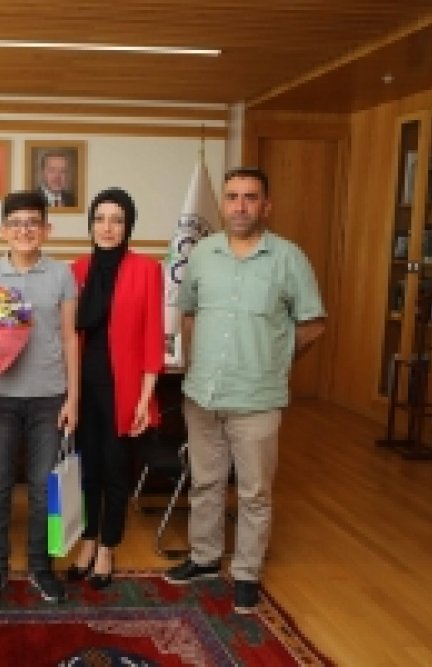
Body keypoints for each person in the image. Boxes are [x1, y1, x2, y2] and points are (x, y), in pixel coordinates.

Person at [163, 167, 326, 614]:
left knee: (254, 492)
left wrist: (276, 359)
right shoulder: (203, 253)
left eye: (250, 197)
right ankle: (204, 557)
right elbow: (188, 313)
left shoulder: (289, 258)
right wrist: (193, 363)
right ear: (222, 205)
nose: (240, 206)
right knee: (205, 482)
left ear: (265, 206)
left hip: (257, 397)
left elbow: (313, 324)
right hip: (202, 393)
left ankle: (247, 573)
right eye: (232, 197)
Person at [0, 190, 79, 606]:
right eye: (16, 224)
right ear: (2, 230)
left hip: (49, 397)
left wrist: (73, 398)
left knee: (42, 489)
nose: (24, 230)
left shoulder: (62, 274)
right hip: (0, 398)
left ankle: (40, 567)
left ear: (47, 229)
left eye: (33, 223)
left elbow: (69, 339)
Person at [68, 187, 164, 589]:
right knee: (86, 468)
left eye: (117, 220)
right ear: (91, 224)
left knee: (115, 468)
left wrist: (145, 397)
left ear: (128, 226)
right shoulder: (77, 269)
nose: (107, 228)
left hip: (124, 388)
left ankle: (108, 546)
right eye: (100, 219)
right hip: (82, 386)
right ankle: (88, 539)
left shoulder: (147, 269)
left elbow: (153, 337)